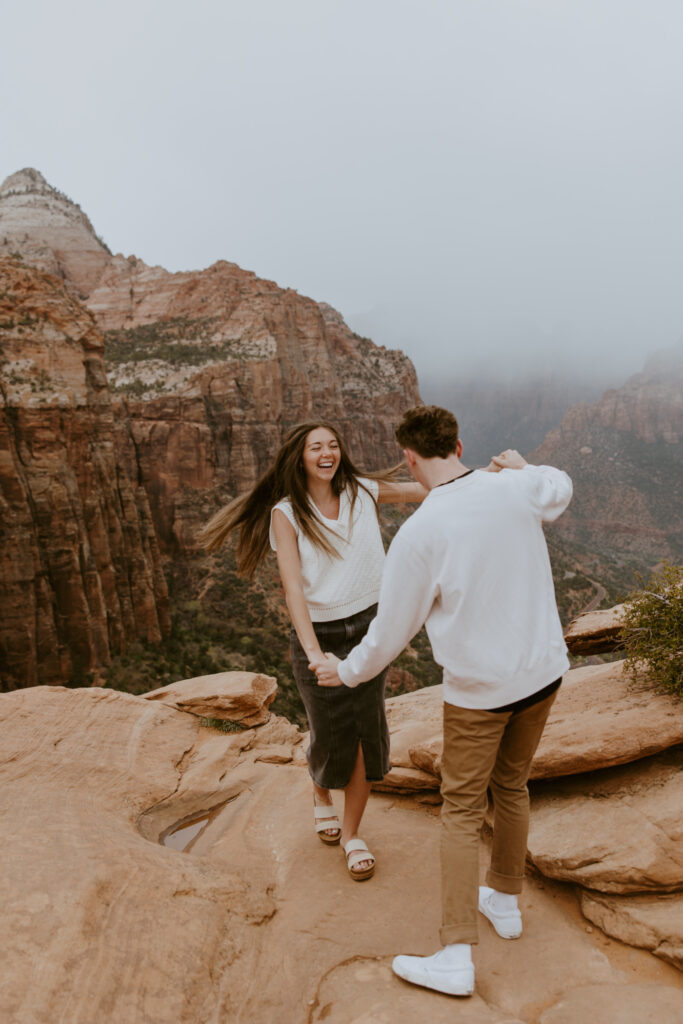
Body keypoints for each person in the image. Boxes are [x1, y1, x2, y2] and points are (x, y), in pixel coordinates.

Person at [313, 405, 572, 996]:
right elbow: (560, 485)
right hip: (544, 672)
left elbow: (389, 632)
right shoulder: (516, 488)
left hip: (482, 692)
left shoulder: (421, 533)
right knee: (511, 786)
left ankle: (456, 954)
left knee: (459, 810)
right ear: (459, 443)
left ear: (409, 456)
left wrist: (343, 672)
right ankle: (504, 899)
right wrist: (524, 464)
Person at [199, 421, 425, 881]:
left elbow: (420, 488)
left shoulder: (362, 491)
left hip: (369, 630)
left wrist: (487, 476)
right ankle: (321, 792)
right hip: (319, 635)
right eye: (315, 447)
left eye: (333, 445)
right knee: (328, 731)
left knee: (367, 730)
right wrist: (313, 653)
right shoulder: (286, 513)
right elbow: (291, 591)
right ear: (299, 458)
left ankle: (352, 833)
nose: (327, 453)